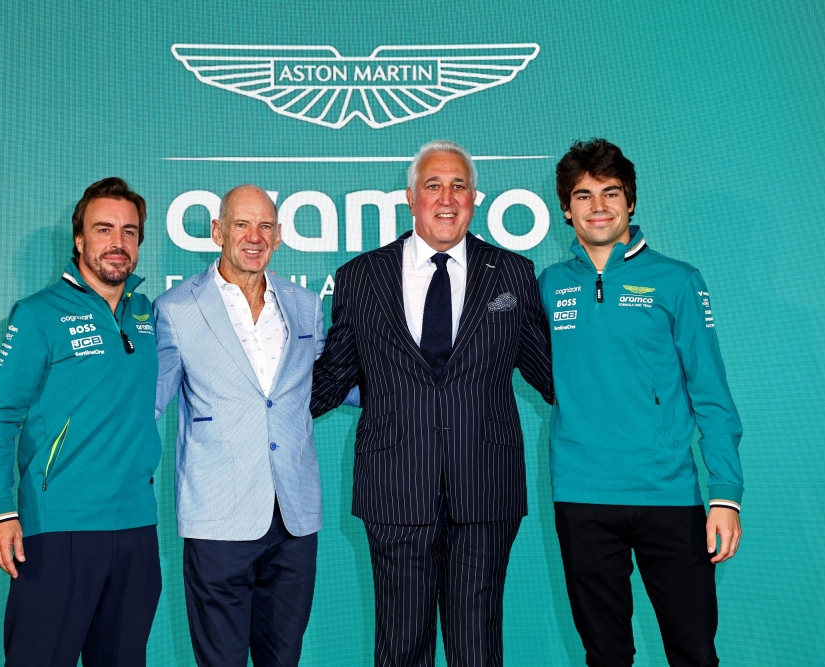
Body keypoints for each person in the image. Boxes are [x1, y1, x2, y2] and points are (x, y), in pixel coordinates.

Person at [311, 140, 554, 666]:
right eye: (433, 185)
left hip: (485, 488)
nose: (447, 198)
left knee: (477, 646)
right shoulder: (360, 277)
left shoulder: (512, 274)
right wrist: (254, 406)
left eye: (459, 186)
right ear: (410, 198)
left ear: (475, 199)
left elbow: (551, 372)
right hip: (396, 488)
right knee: (400, 646)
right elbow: (332, 376)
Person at [539, 139, 744, 667]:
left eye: (610, 192)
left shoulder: (677, 280)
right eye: (583, 196)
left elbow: (711, 395)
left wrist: (724, 494)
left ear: (630, 200)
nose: (598, 205)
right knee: (606, 656)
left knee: (694, 653)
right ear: (566, 208)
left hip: (668, 495)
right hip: (582, 498)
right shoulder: (548, 285)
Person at [0, 177, 162, 666]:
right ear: (80, 239)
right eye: (104, 229)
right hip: (58, 530)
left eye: (129, 231)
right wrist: (0, 510)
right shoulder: (38, 315)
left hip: (137, 530)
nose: (117, 243)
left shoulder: (147, 314)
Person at [154, 185, 326, 667]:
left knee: (283, 659)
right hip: (217, 520)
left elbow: (331, 382)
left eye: (265, 226)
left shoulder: (305, 304)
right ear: (218, 231)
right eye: (241, 225)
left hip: (293, 517)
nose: (254, 237)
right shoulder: (176, 309)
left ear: (279, 236)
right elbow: (149, 399)